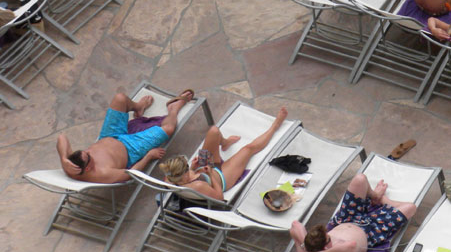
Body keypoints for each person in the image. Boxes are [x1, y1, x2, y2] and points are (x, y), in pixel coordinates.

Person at [56, 87, 195, 184]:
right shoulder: (103, 174)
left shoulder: (70, 166)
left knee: (120, 98)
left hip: (109, 135)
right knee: (169, 128)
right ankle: (174, 109)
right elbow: (131, 174)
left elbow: (61, 137)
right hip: (131, 148)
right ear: (87, 169)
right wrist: (149, 156)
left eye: (85, 151)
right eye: (88, 155)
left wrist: (63, 158)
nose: (88, 151)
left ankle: (138, 106)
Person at [290, 174, 417, 252]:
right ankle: (383, 200)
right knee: (410, 207)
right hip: (371, 230)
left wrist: (304, 244)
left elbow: (295, 225)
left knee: (360, 179)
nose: (330, 236)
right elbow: (351, 245)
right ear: (325, 248)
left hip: (345, 219)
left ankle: (374, 196)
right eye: (329, 238)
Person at [158, 107, 289, 200]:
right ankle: (275, 126)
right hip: (221, 177)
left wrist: (193, 167)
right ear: (183, 172)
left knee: (213, 131)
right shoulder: (197, 186)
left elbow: (184, 178)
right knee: (248, 149)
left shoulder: (170, 177)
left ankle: (225, 142)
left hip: (203, 167)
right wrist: (210, 174)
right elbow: (219, 197)